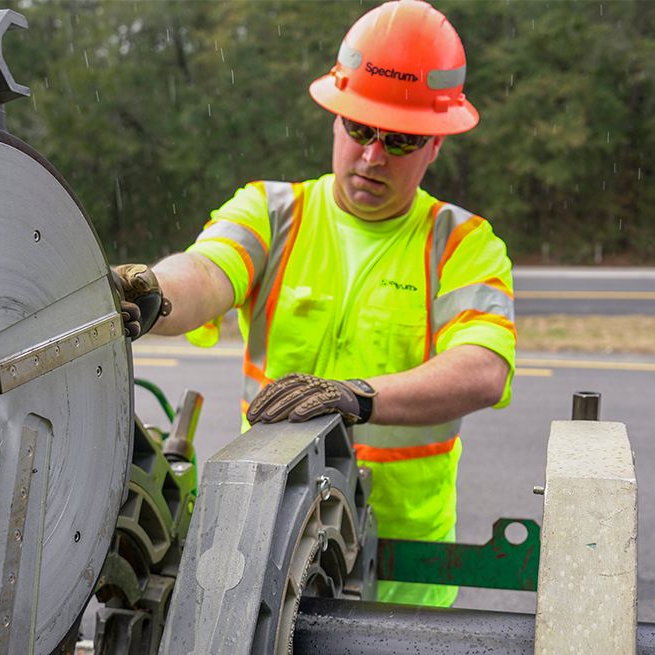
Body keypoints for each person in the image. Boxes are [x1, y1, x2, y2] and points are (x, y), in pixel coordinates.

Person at [113, 0, 516, 607]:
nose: (373, 155)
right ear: (335, 120)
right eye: (359, 129)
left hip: (404, 567)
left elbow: (484, 369)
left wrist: (358, 397)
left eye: (401, 139)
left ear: (435, 144)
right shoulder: (273, 213)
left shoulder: (462, 244)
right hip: (271, 533)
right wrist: (155, 293)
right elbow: (206, 273)